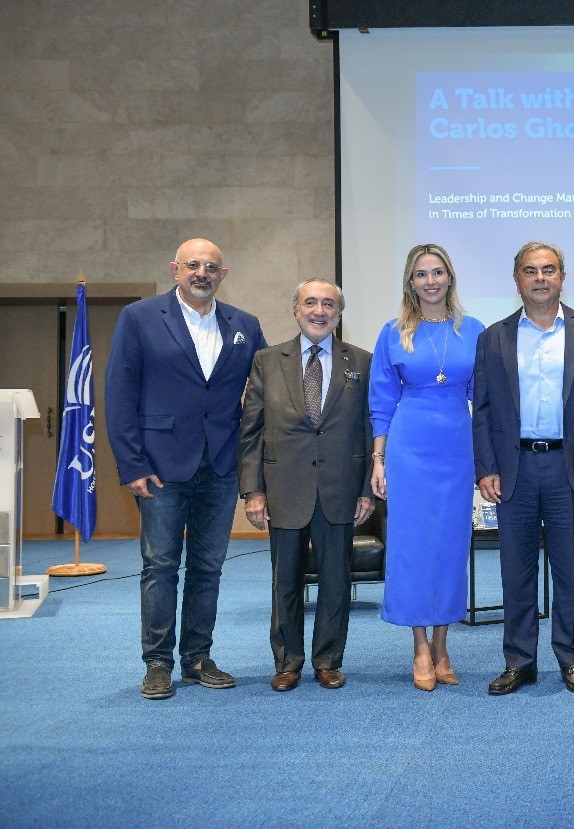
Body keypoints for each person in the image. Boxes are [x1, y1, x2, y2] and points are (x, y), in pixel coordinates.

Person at [105, 237, 267, 700]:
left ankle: (197, 658)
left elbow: (264, 393)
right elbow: (120, 394)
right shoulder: (139, 317)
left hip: (221, 465)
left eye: (211, 267)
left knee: (208, 567)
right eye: (193, 265)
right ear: (175, 269)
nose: (202, 273)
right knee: (160, 565)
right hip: (159, 466)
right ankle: (157, 663)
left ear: (223, 275)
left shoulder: (245, 325)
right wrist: (131, 464)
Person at [473, 241, 574, 695]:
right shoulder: (493, 338)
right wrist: (486, 467)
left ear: (562, 277)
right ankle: (519, 662)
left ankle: (573, 660)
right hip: (512, 467)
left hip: (568, 467)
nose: (540, 278)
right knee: (516, 571)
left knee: (571, 570)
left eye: (549, 270)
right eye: (531, 270)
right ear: (517, 279)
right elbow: (482, 409)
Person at [237, 279, 375, 692]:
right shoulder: (266, 361)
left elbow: (370, 429)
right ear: (295, 310)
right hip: (283, 487)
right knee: (286, 581)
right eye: (310, 302)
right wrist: (253, 490)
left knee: (336, 581)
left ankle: (328, 661)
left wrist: (366, 489)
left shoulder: (362, 361)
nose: (319, 311)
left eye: (328, 304)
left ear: (339, 313)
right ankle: (287, 662)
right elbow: (251, 430)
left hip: (340, 488)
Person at [369, 244, 485, 691]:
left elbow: (484, 396)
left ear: (450, 277)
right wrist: (379, 460)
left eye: (438, 272)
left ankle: (442, 645)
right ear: (410, 282)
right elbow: (382, 401)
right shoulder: (393, 332)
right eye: (421, 274)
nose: (430, 281)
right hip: (409, 448)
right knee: (413, 546)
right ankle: (420, 646)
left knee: (450, 546)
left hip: (456, 447)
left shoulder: (473, 330)